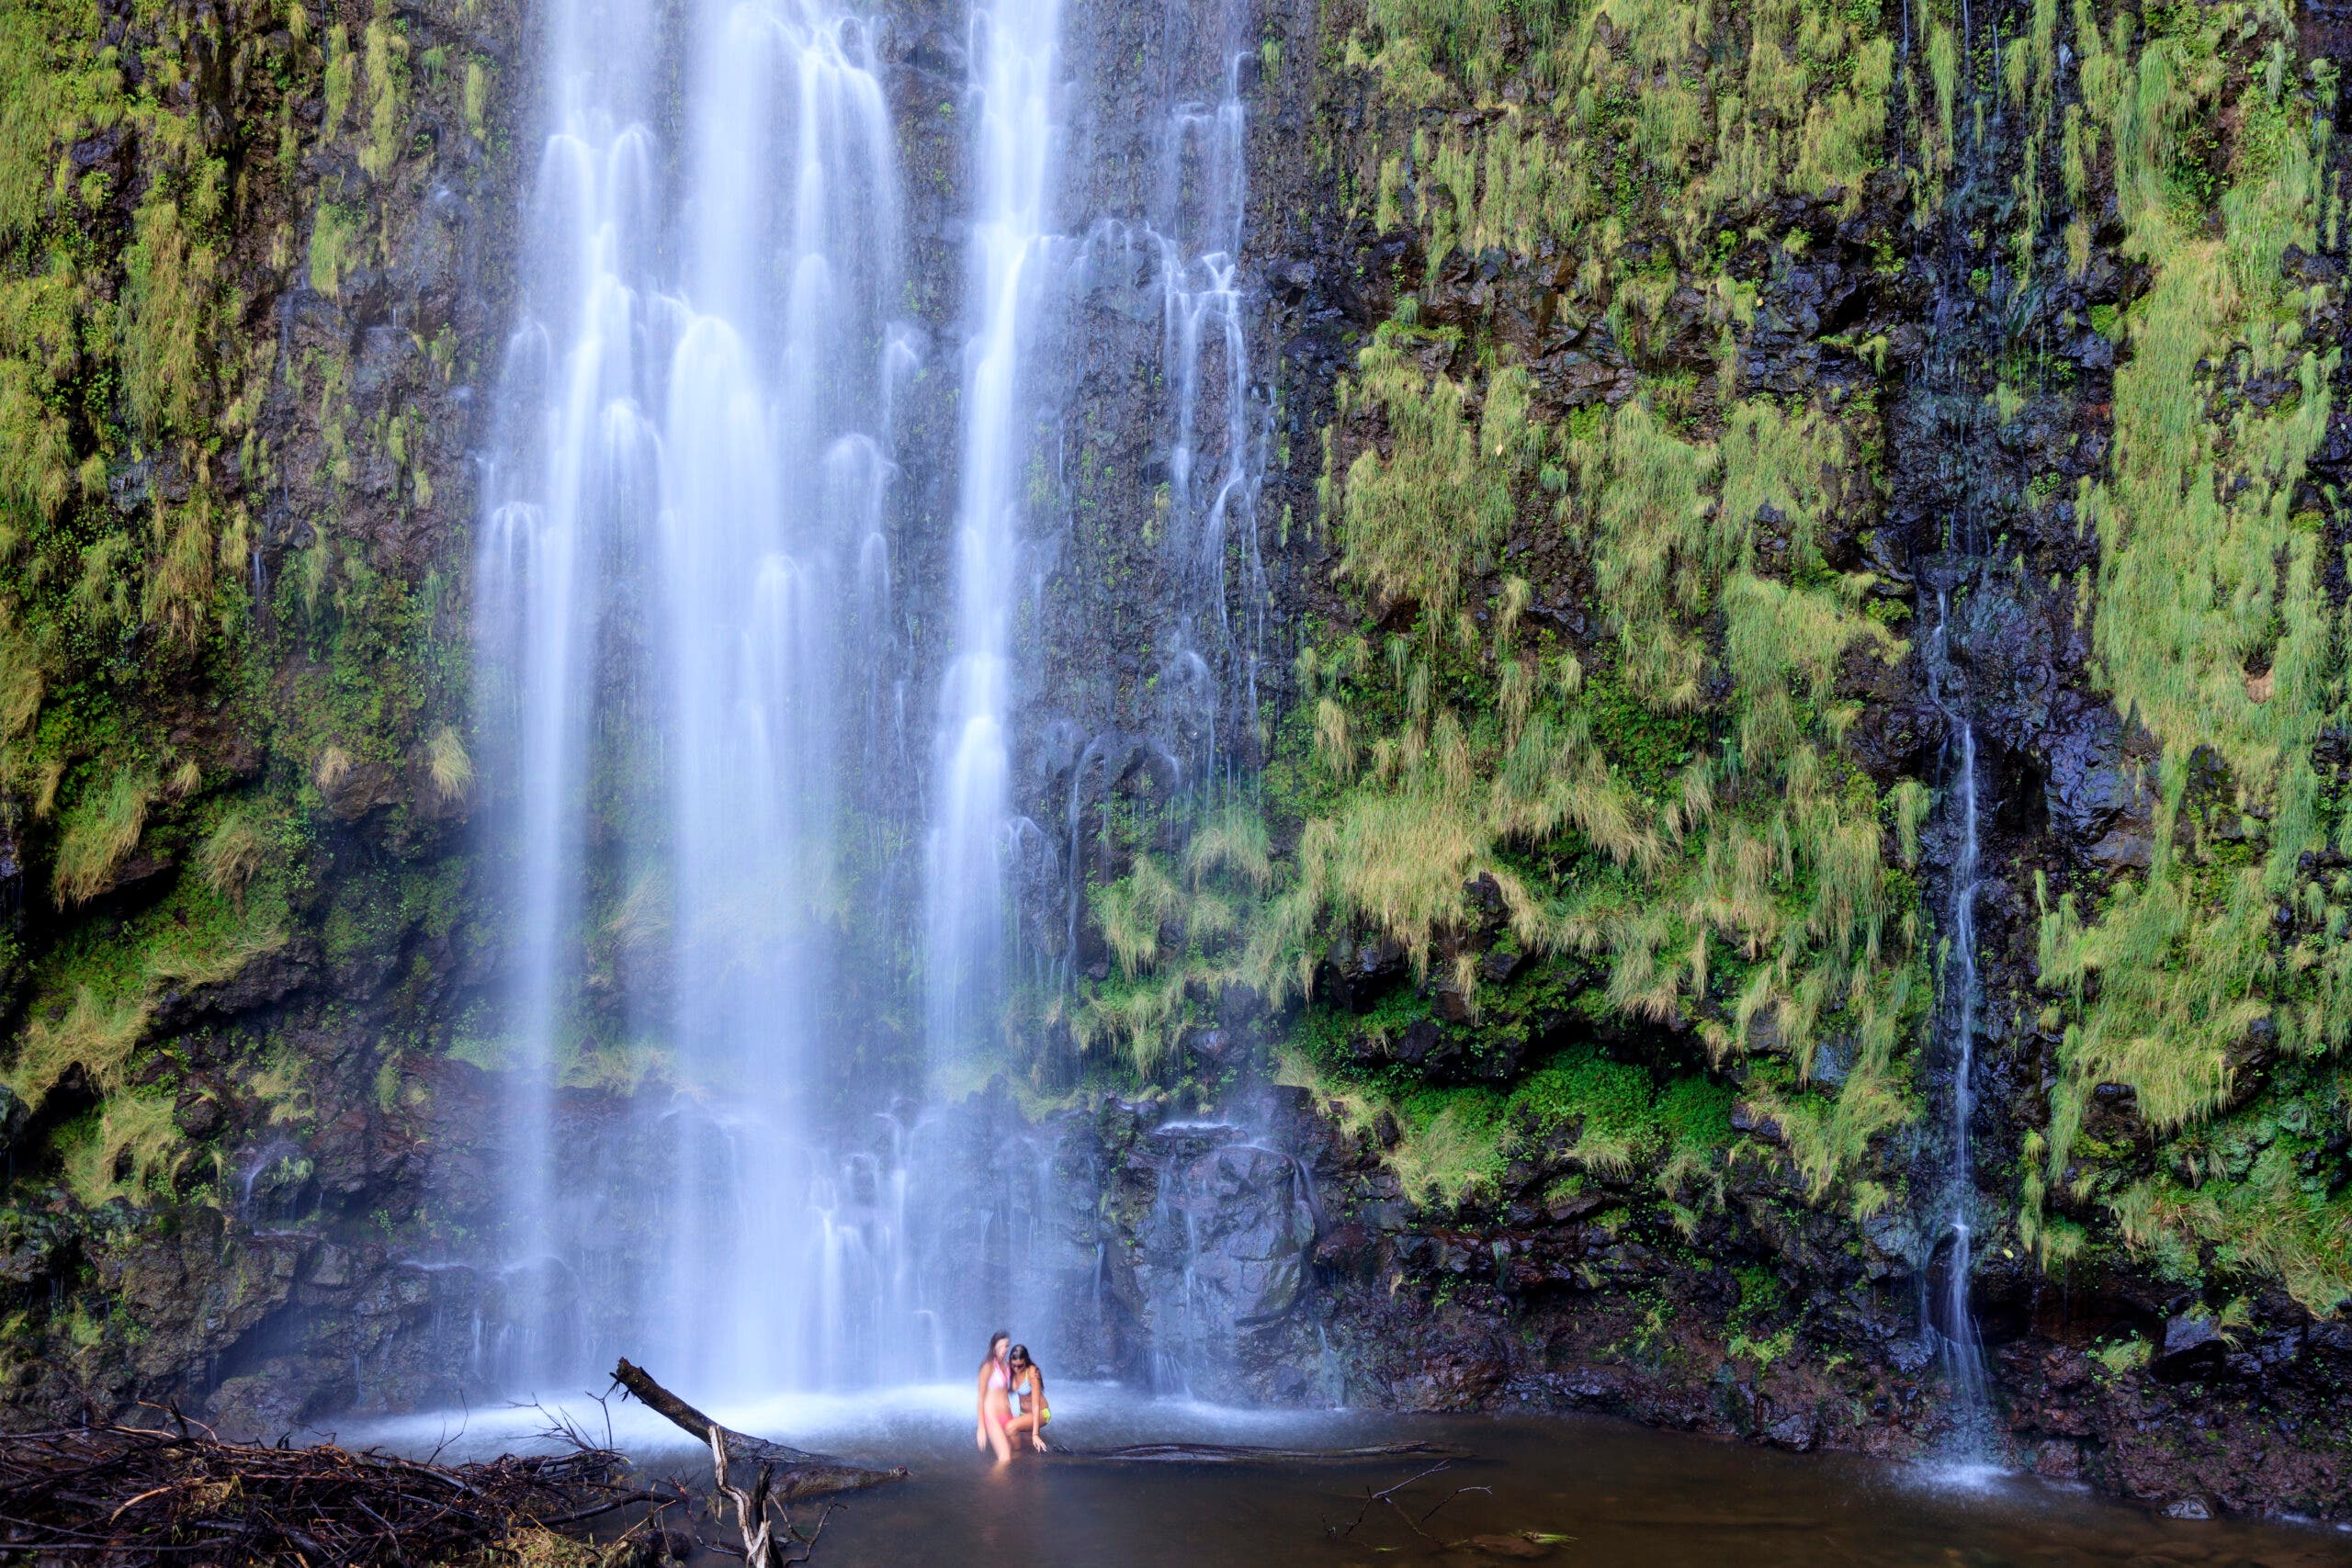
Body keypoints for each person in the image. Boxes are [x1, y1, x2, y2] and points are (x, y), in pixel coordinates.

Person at [975, 1330, 1013, 1464]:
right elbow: (980, 1398)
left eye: (1006, 1346)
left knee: (1015, 1451)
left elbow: (1005, 1392)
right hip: (992, 1417)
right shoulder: (988, 1366)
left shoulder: (1007, 1365)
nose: (1004, 1349)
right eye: (1000, 1346)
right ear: (993, 1347)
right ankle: (982, 1480)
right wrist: (981, 1427)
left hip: (1007, 1415)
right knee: (1005, 1458)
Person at [1006, 1344, 1050, 1452]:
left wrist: (1035, 1434)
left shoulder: (1032, 1373)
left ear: (1025, 1361)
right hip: (1024, 1413)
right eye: (1014, 1365)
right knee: (1029, 1446)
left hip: (1041, 1412)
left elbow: (1035, 1405)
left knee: (1010, 1427)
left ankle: (1015, 1456)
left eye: (1020, 1366)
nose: (1016, 1369)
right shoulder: (1009, 1367)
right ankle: (1046, 1456)